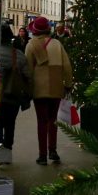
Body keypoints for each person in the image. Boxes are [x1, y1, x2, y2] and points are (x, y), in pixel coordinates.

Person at [26, 15, 73, 165]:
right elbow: (67, 66)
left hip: (39, 89)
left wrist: (27, 88)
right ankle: (53, 151)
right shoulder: (57, 44)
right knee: (53, 120)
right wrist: (68, 84)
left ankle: (42, 155)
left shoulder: (31, 45)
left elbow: (27, 69)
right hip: (56, 87)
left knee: (42, 121)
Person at [0, 23, 31, 150]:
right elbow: (28, 76)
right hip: (13, 95)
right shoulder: (19, 55)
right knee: (10, 123)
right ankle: (7, 148)